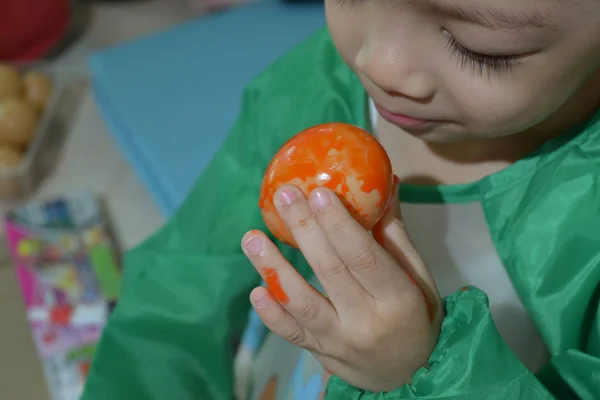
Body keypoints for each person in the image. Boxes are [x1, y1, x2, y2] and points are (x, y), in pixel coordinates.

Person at [81, 0, 600, 399]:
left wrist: (417, 370)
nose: (381, 65)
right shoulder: (319, 88)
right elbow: (182, 286)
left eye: (478, 48)